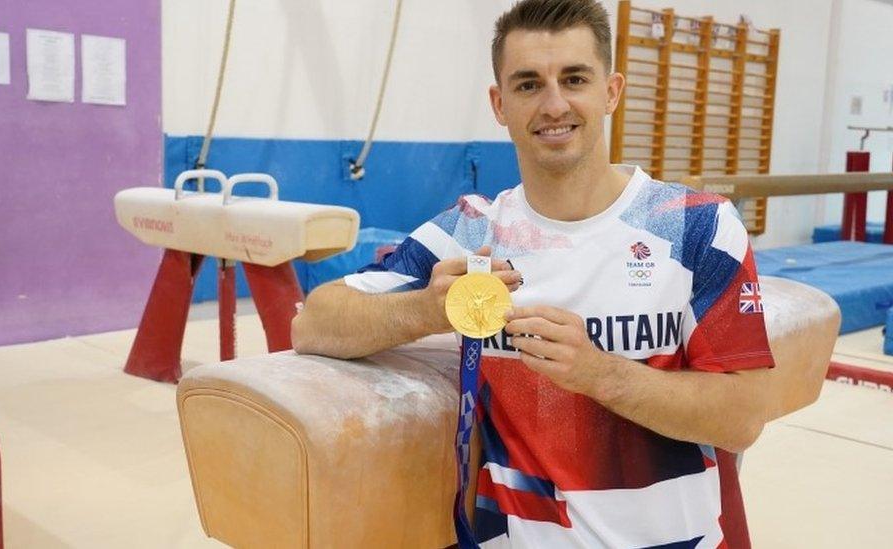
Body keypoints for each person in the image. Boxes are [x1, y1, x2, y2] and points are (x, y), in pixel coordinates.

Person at [292, 0, 814, 546]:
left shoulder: (695, 226)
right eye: (528, 85)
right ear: (499, 104)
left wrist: (599, 373)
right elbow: (314, 323)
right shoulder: (473, 231)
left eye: (574, 78)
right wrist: (425, 308)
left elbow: (743, 417)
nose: (554, 103)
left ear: (610, 91)